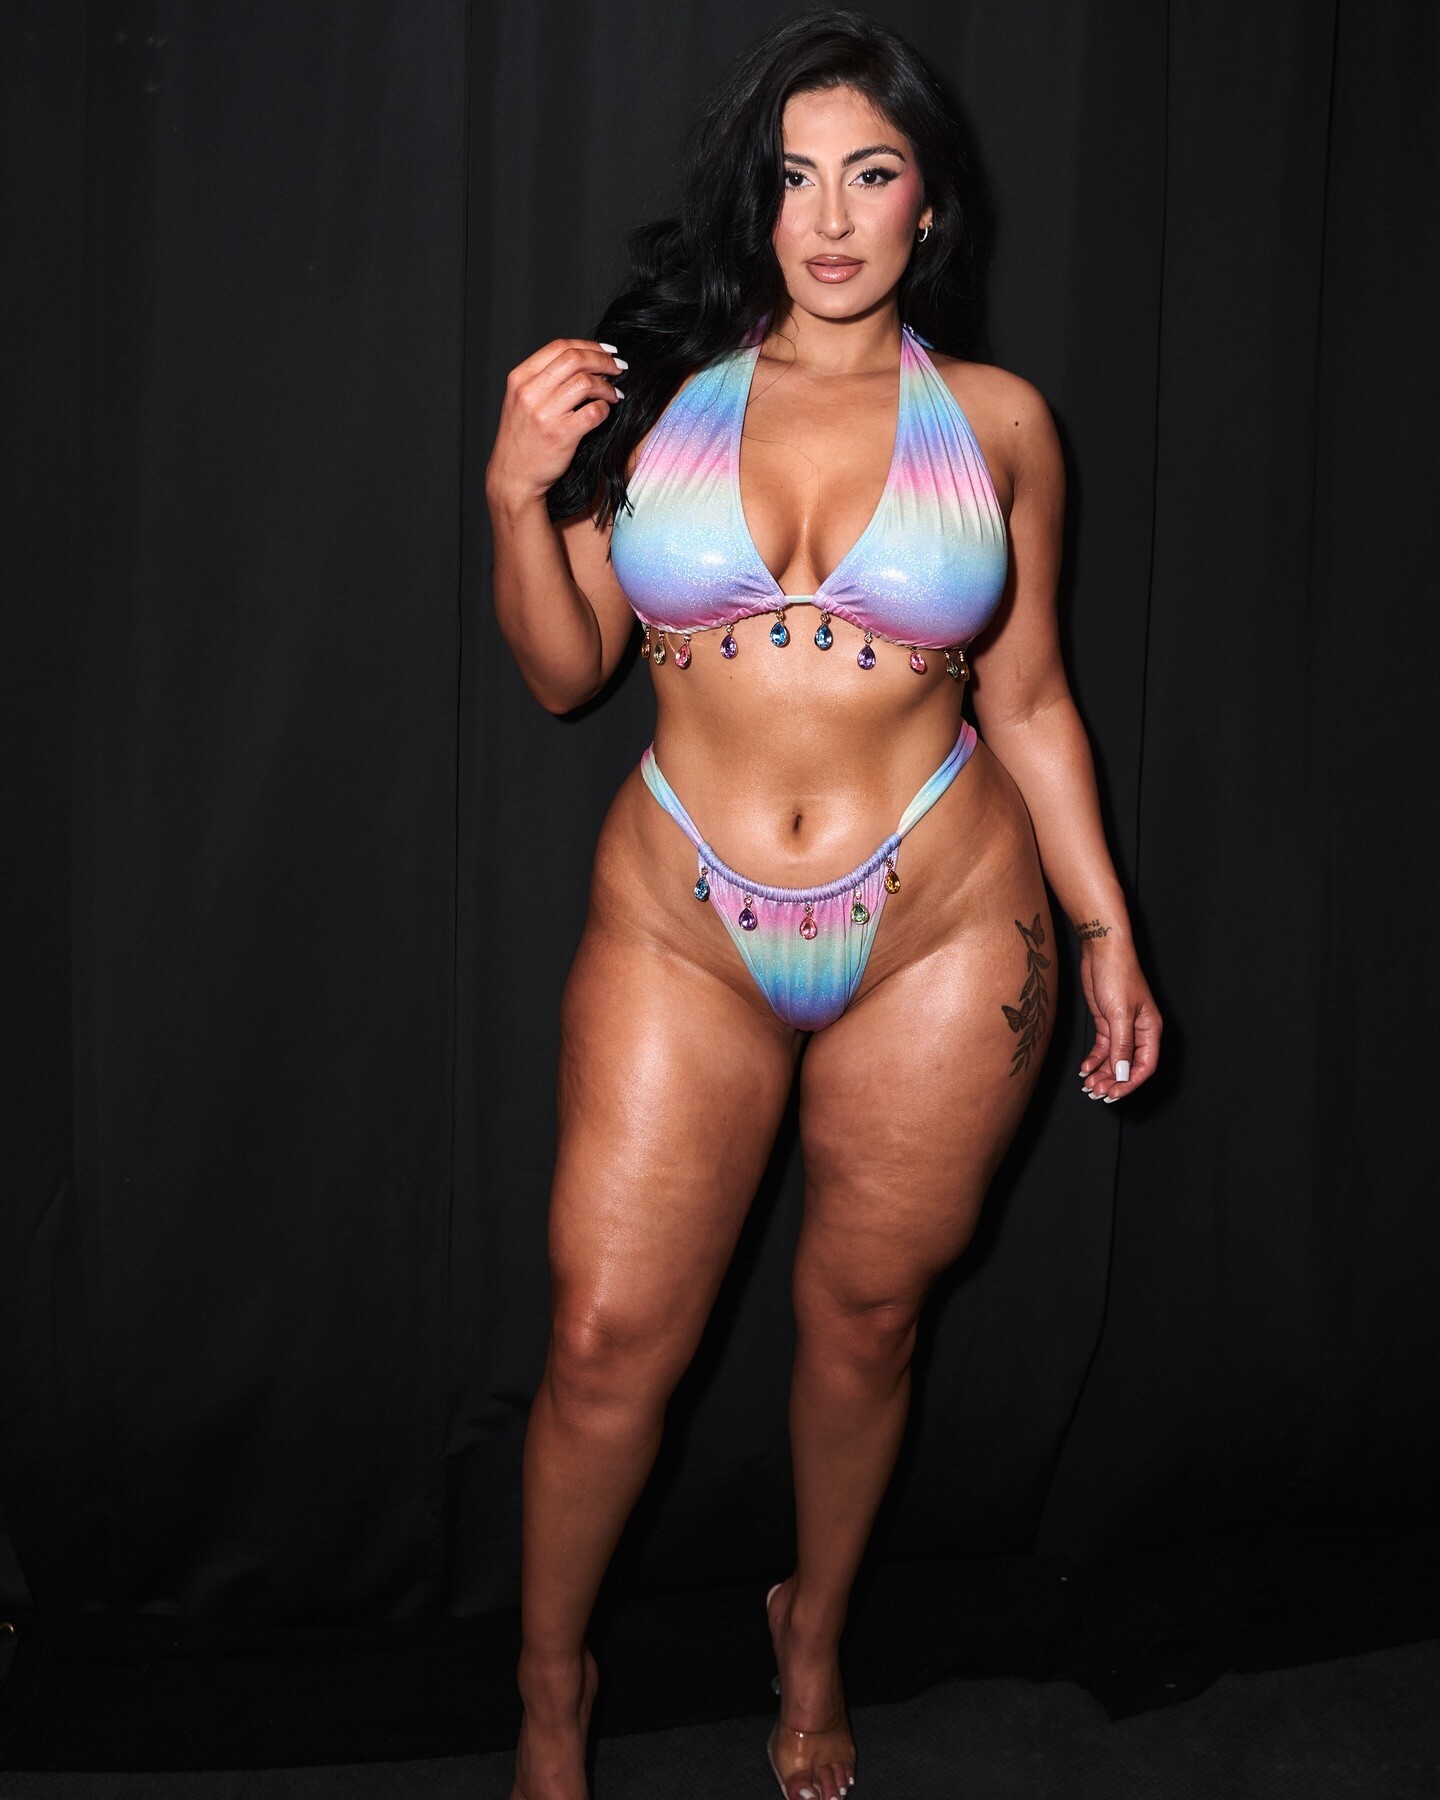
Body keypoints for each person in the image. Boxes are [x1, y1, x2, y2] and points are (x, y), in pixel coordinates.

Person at [484, 10, 1162, 1798]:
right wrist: (510, 496)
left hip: (944, 925)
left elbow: (1031, 702)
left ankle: (814, 1635)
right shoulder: (655, 395)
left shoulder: (1001, 424)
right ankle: (551, 1699)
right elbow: (563, 671)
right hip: (682, 923)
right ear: (755, 203)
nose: (834, 218)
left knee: (868, 1323)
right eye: (795, 180)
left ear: (929, 202)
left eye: (872, 174)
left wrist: (1107, 933)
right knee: (603, 1342)